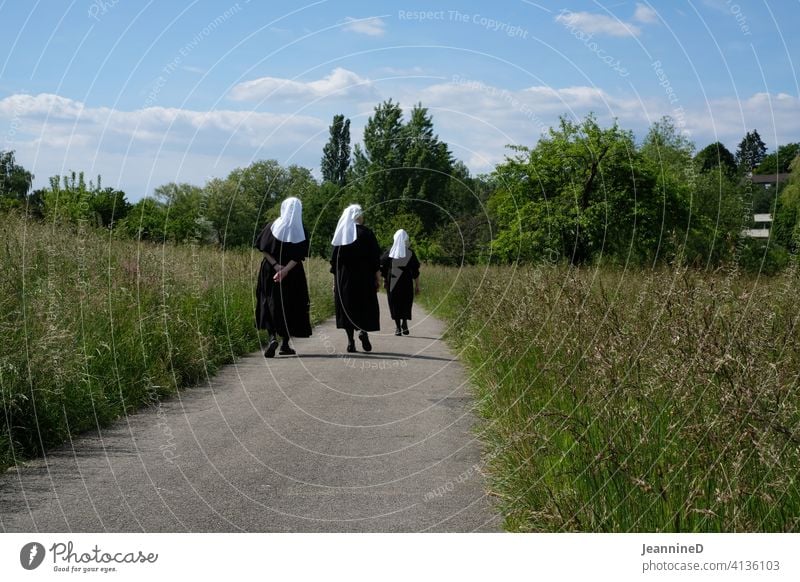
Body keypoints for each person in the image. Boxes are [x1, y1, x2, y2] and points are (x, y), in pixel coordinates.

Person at [254, 197, 312, 357]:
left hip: (270, 271)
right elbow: (299, 255)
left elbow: (262, 248)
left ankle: (272, 337)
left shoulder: (271, 226)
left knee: (269, 302)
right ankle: (285, 344)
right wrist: (285, 270)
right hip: (292, 273)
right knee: (290, 305)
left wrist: (275, 266)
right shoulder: (302, 230)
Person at [330, 204, 381, 352]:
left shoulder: (341, 234)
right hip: (364, 277)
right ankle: (362, 331)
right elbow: (375, 259)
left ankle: (350, 342)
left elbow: (334, 262)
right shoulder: (367, 233)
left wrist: (335, 282)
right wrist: (377, 278)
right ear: (358, 216)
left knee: (347, 308)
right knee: (363, 306)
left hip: (344, 278)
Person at [379, 229, 420, 336]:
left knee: (395, 303)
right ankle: (404, 324)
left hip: (393, 282)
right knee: (406, 302)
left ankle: (398, 328)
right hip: (406, 282)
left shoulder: (389, 253)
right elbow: (415, 271)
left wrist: (384, 280)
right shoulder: (410, 253)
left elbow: (382, 267)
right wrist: (417, 285)